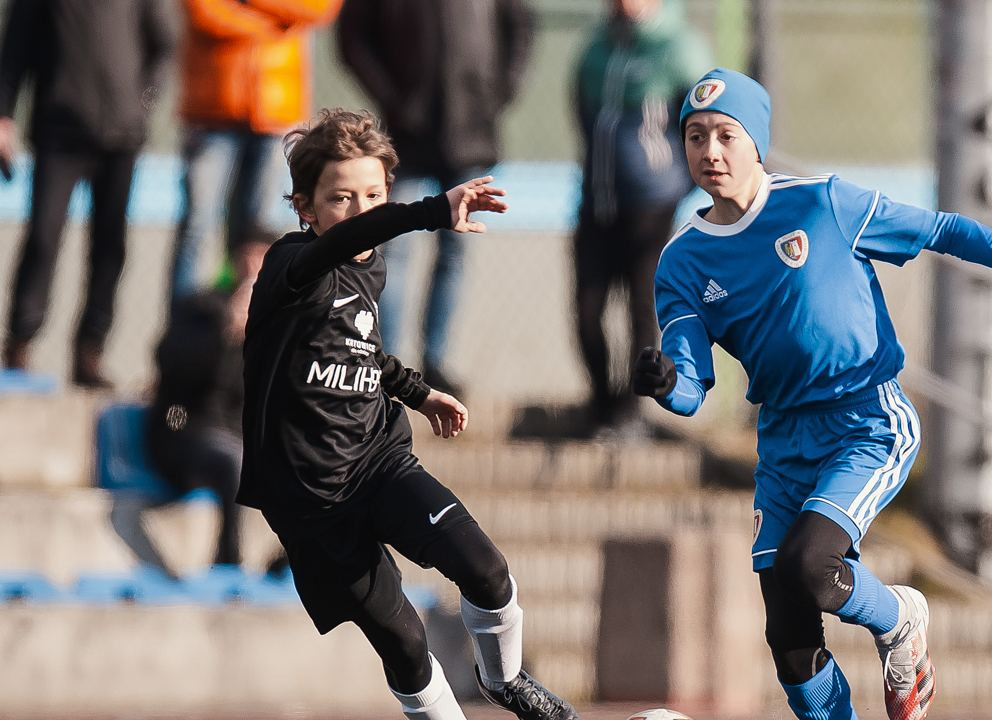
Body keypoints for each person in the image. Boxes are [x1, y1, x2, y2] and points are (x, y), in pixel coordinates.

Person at [632, 69, 992, 720]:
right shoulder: (683, 261)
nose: (710, 150)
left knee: (810, 565)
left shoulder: (822, 203)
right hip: (784, 442)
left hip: (867, 420)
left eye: (726, 134)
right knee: (787, 627)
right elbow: (692, 386)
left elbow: (943, 228)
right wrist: (664, 382)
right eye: (695, 137)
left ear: (757, 143)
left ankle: (898, 617)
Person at [237, 109, 584, 720]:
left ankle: (506, 680)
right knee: (403, 639)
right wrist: (428, 212)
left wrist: (418, 392)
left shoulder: (370, 263)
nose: (360, 211)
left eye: (373, 194)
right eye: (341, 197)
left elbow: (358, 348)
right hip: (311, 501)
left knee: (486, 570)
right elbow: (351, 242)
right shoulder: (289, 265)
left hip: (379, 461)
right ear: (305, 208)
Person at [337, 0, 535, 394]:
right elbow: (352, 40)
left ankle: (436, 362)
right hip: (407, 138)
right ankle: (387, 364)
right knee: (394, 251)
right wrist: (394, 100)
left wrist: (496, 92)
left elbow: (521, 27)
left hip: (470, 135)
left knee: (455, 251)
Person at [0, 0, 177, 386]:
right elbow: (14, 50)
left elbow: (164, 44)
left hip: (121, 137)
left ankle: (89, 353)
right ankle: (19, 346)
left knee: (109, 247)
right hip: (57, 131)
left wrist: (142, 105)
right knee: (43, 238)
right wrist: (4, 116)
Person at [570, 0, 710, 435]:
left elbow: (700, 119)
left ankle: (632, 412)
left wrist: (677, 180)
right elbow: (582, 107)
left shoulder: (679, 47)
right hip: (597, 200)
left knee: (641, 310)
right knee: (587, 310)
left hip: (651, 205)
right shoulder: (599, 46)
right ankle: (601, 406)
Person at [168, 0, 341, 303]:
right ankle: (185, 323)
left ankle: (248, 317)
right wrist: (273, 25)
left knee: (259, 232)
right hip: (213, 109)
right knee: (198, 225)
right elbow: (204, 12)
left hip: (276, 111)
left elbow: (318, 8)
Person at [139, 230, 276, 578]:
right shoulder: (199, 308)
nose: (254, 270)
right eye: (249, 257)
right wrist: (225, 333)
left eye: (264, 261)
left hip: (234, 434)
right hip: (182, 430)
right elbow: (172, 370)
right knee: (235, 461)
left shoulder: (275, 324)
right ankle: (228, 563)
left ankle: (287, 562)